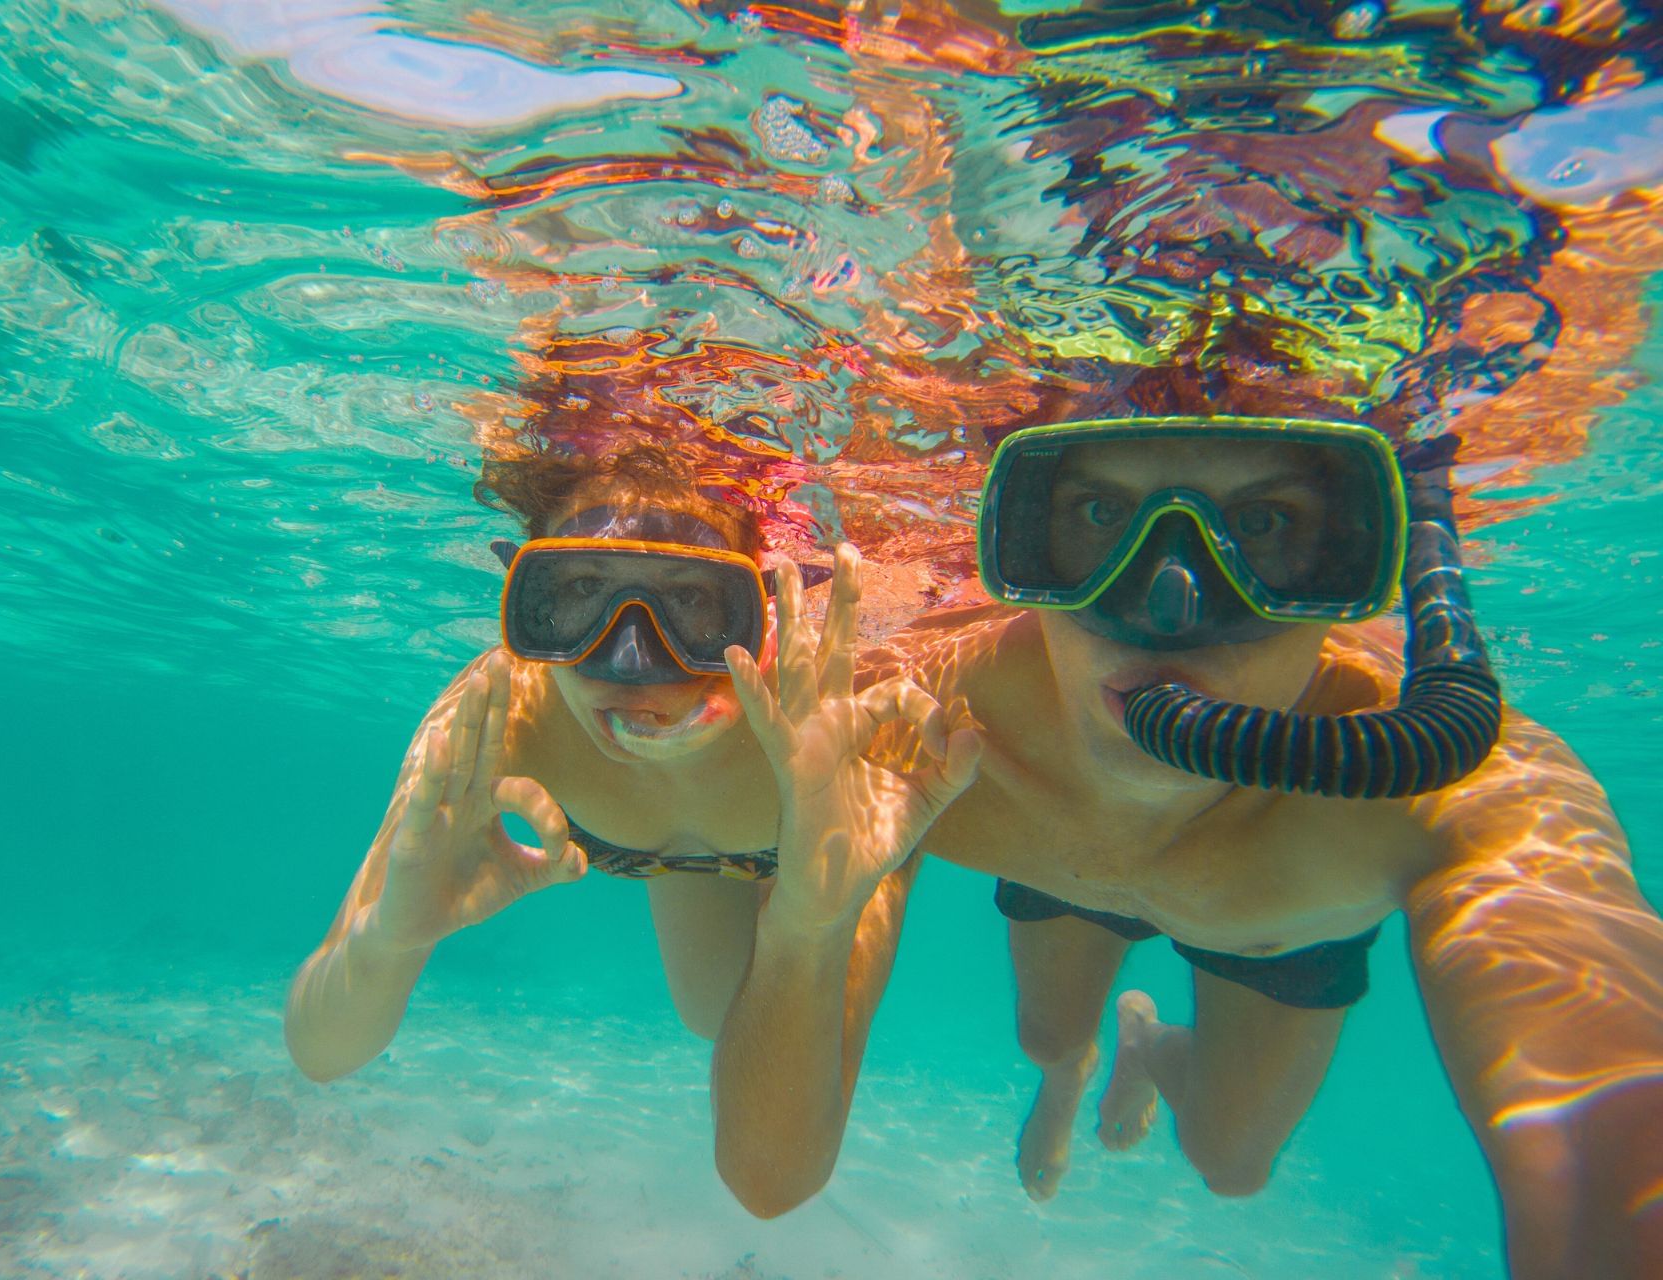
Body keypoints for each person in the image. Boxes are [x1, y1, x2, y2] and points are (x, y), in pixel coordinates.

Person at [709, 410, 1663, 1280]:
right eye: (1095, 515)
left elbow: (1604, 1123)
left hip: (1275, 926)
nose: (1168, 603)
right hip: (1064, 866)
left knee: (1229, 1163)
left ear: (1358, 565)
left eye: (1264, 526)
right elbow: (769, 1181)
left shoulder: (1455, 785)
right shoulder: (919, 723)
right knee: (1046, 1036)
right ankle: (1068, 1073)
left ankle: (1151, 1047)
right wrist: (804, 919)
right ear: (1025, 539)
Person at [283, 441, 970, 1081]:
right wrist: (389, 943)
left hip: (839, 828)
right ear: (530, 598)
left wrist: (826, 894)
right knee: (711, 1019)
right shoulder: (495, 715)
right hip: (697, 847)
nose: (633, 661)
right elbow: (321, 1054)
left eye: (694, 600)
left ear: (760, 603)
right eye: (582, 591)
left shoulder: (843, 692)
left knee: (813, 1043)